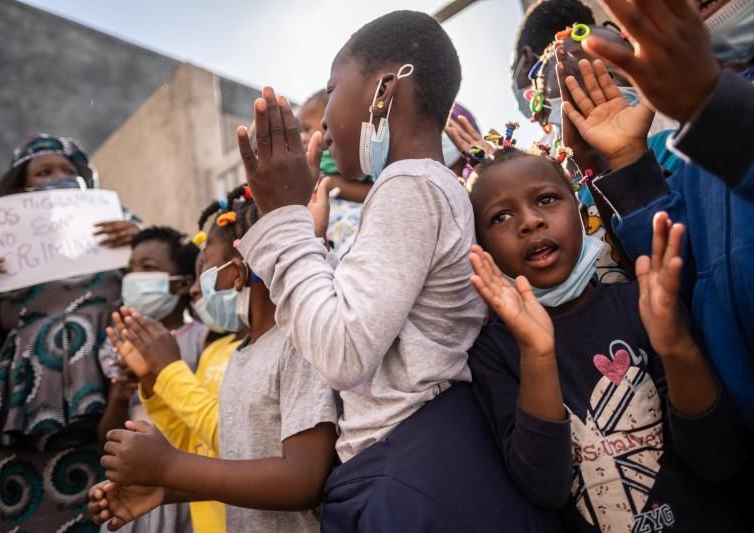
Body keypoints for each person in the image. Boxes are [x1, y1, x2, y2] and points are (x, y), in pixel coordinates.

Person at [235, 10, 561, 532]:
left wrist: (285, 220)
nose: (321, 123)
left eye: (333, 89)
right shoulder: (428, 187)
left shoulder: (409, 186)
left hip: (412, 470)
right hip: (418, 462)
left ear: (384, 91)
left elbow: (343, 352)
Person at [464, 137, 748, 531]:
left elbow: (719, 458)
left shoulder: (645, 304)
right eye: (500, 217)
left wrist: (675, 347)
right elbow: (545, 488)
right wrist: (538, 353)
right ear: (482, 248)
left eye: (546, 200)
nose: (529, 221)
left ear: (581, 213)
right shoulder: (493, 352)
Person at [90, 184, 339, 533]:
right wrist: (167, 489)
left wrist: (169, 466)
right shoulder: (243, 352)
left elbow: (302, 481)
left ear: (237, 273)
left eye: (204, 269)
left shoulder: (297, 344)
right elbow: (240, 460)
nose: (196, 289)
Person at [560, 0, 754, 430]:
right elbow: (687, 270)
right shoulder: (697, 155)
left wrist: (716, 108)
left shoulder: (711, 117)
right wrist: (627, 159)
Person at [0, 133, 141, 531]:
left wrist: (139, 241)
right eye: (44, 171)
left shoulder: (121, 231)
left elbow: (168, 290)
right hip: (24, 422)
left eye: (69, 171)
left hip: (112, 403)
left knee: (112, 515)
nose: (58, 178)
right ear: (20, 188)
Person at [96, 226, 200, 533]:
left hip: (186, 490)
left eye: (148, 268)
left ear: (182, 284)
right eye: (130, 269)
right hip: (134, 498)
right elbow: (107, 437)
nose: (134, 277)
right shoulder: (116, 345)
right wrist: (119, 395)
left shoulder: (204, 339)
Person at [298, 89, 373, 252]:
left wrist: (328, 183)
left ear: (329, 119)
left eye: (306, 128)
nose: (302, 137)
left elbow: (372, 191)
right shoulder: (312, 158)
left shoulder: (349, 155)